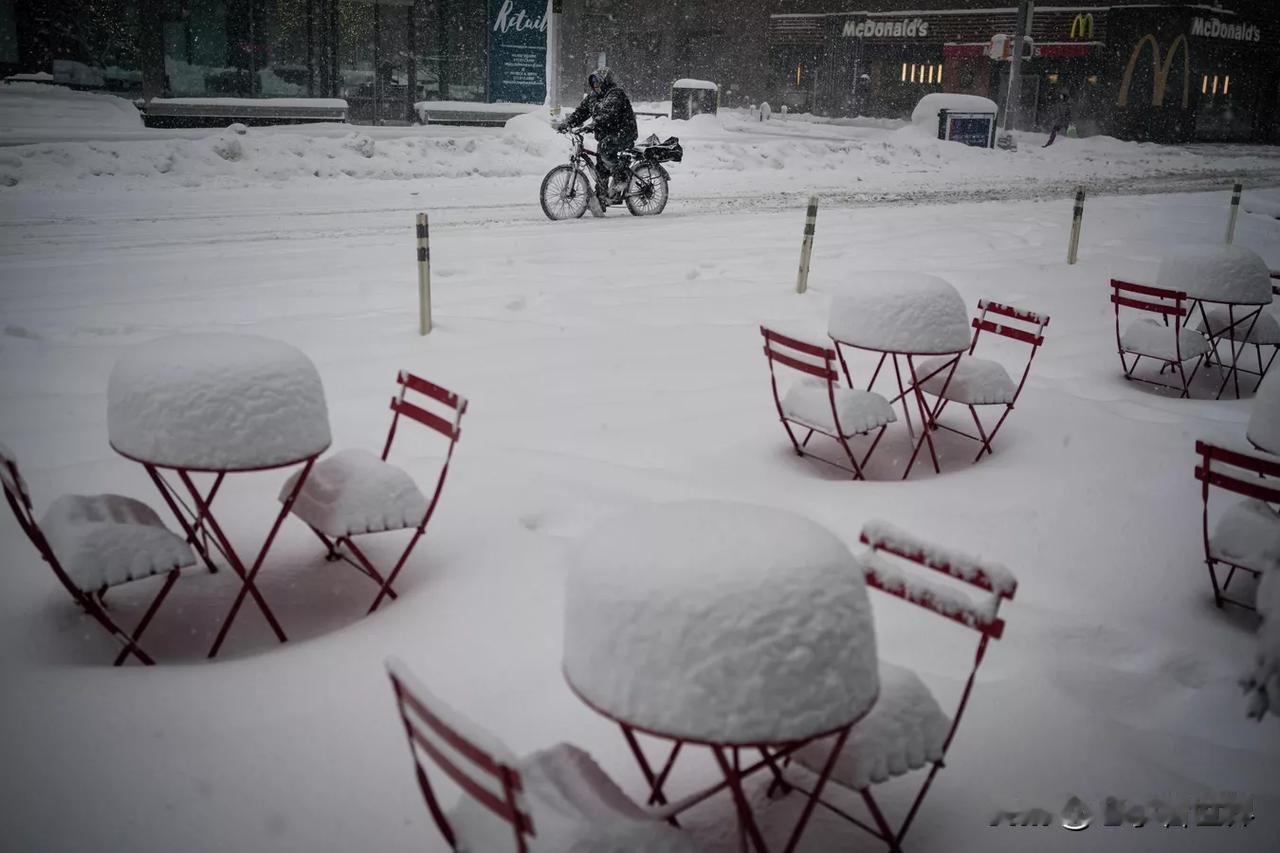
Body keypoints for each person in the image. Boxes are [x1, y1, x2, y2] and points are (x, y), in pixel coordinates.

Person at [555, 66, 638, 204]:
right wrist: (568, 123)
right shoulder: (593, 97)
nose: (595, 85)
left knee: (605, 147)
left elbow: (608, 114)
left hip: (624, 133)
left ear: (605, 81)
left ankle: (622, 177)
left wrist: (593, 125)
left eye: (598, 82)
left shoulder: (615, 94)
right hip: (607, 135)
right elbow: (580, 113)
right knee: (601, 165)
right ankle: (602, 197)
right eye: (593, 82)